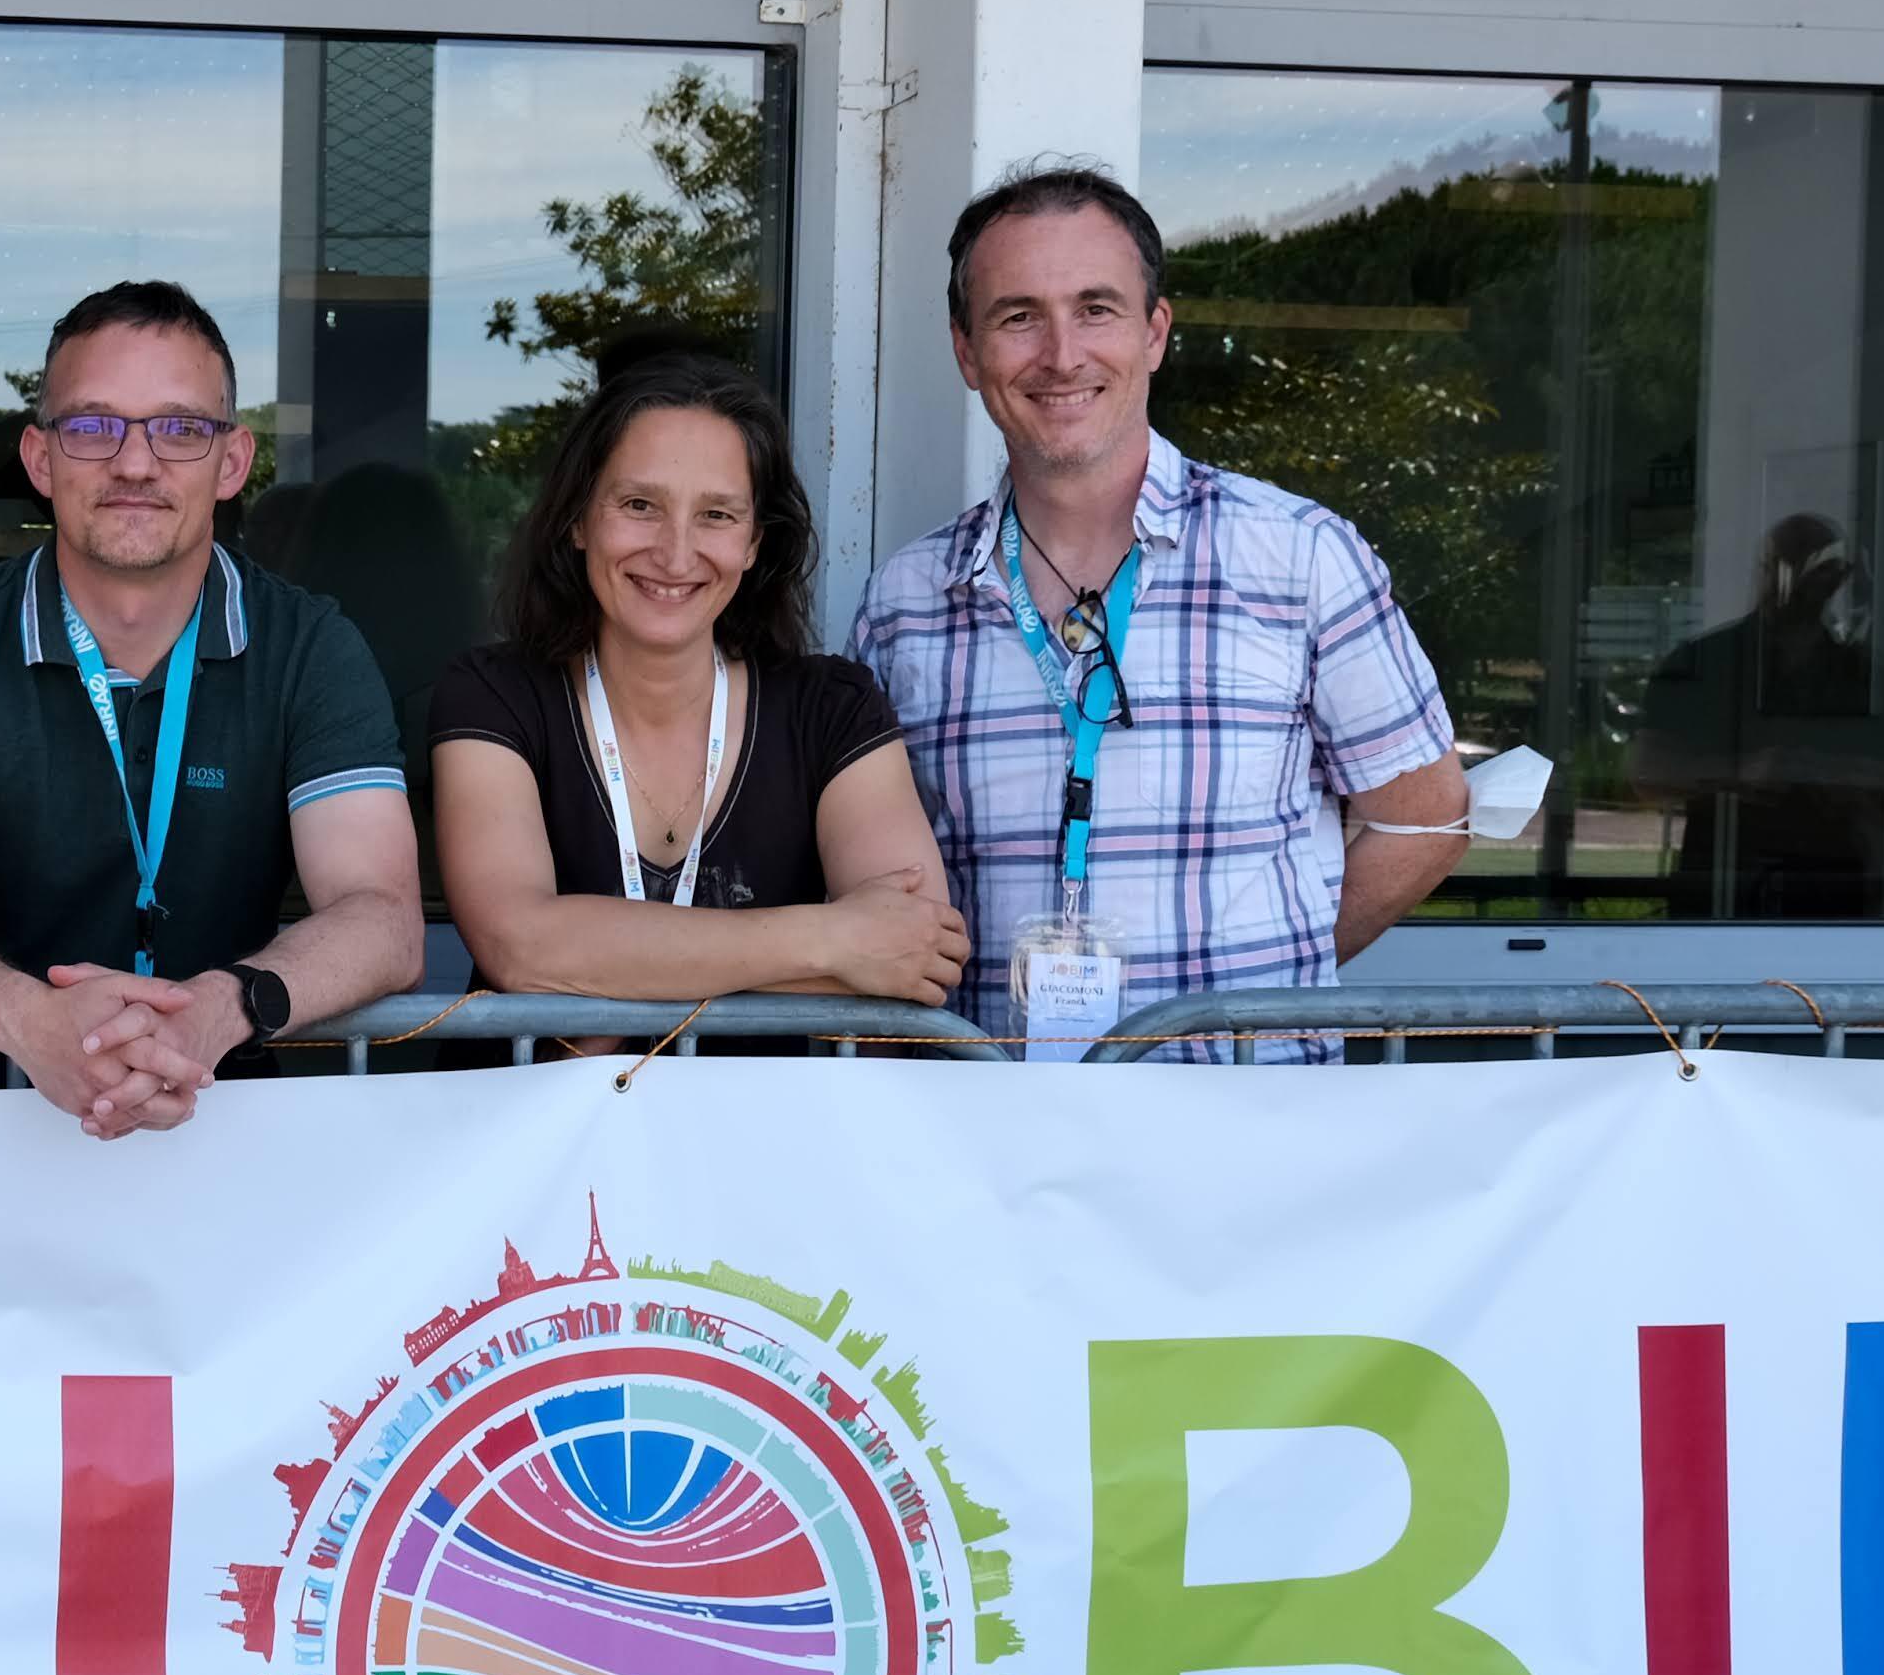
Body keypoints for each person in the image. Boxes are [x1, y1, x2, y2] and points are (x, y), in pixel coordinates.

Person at [850, 164, 1469, 1059]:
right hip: (997, 1138)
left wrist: (1260, 985)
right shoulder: (904, 604)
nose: (1062, 354)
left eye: (1096, 308)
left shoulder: (1300, 559)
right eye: (1018, 315)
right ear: (966, 350)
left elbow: (1426, 817)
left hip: (1242, 1126)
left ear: (1155, 332)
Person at [0, 280, 423, 1135]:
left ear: (232, 461)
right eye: (93, 425)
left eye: (181, 428)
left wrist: (222, 1007)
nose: (136, 463)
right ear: (40, 459)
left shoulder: (310, 648)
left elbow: (385, 917)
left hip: (224, 1130)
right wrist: (30, 1020)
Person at [433, 348, 964, 1020]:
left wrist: (605, 971)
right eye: (638, 504)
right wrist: (832, 937)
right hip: (541, 1126)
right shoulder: (494, 696)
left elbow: (915, 953)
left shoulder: (832, 711)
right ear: (577, 518)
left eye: (716, 515)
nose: (675, 553)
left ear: (753, 543)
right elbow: (520, 946)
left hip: (767, 1129)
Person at [1634, 514, 1884, 919]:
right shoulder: (1701, 664)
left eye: (1819, 568)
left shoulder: (1867, 677)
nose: (1795, 582)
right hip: (1721, 892)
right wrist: (1740, 772)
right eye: (1786, 565)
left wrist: (1826, 773)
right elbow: (1646, 775)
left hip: (1833, 897)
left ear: (1841, 578)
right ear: (1763, 569)